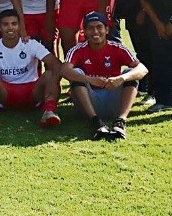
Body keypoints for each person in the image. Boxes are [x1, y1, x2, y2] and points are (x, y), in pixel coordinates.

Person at [61, 12, 147, 140]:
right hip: (89, 102)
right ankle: (95, 121)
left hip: (113, 101)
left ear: (107, 30)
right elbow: (64, 70)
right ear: (85, 32)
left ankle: (121, 121)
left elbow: (143, 69)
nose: (95, 31)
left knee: (130, 72)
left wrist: (121, 78)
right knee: (77, 74)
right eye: (90, 28)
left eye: (99, 27)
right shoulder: (78, 49)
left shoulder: (117, 48)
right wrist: (90, 80)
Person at [0, 9, 62, 127]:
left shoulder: (31, 44)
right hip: (5, 93)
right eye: (5, 24)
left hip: (33, 92)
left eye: (14, 24)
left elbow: (56, 64)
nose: (10, 28)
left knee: (49, 74)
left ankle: (49, 111)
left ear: (19, 26)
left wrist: (54, 82)